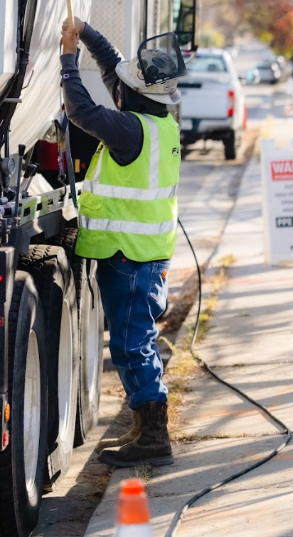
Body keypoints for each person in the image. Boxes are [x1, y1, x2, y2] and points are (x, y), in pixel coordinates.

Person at [60, 17, 185, 468]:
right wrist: (87, 32)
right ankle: (144, 425)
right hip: (139, 257)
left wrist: (68, 60)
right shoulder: (159, 122)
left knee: (132, 345)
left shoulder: (130, 130)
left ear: (133, 94)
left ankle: (153, 435)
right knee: (135, 342)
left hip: (130, 259)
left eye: (124, 86)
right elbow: (115, 68)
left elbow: (81, 111)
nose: (118, 86)